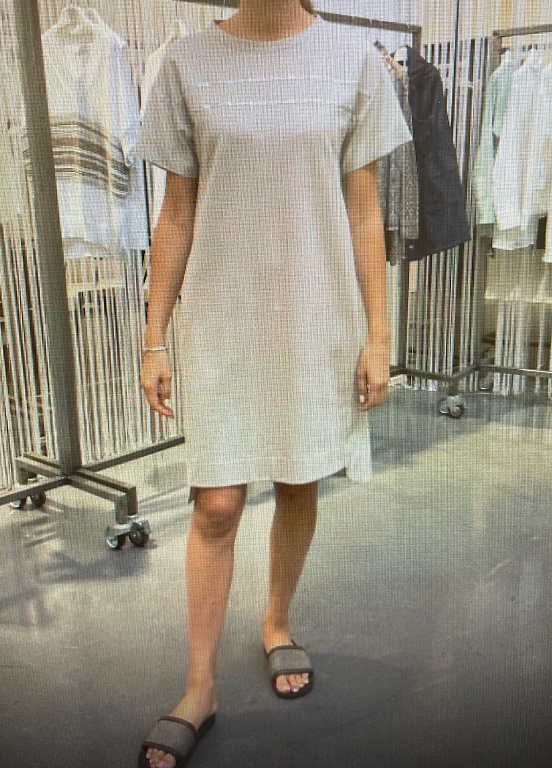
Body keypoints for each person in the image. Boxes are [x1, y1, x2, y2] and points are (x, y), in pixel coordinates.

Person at [134, 1, 411, 766]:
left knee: (297, 478)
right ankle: (199, 684)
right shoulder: (186, 63)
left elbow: (364, 210)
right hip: (221, 318)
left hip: (316, 315)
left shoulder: (353, 61)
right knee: (217, 503)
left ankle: (276, 621)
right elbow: (176, 212)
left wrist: (378, 336)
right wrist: (153, 337)